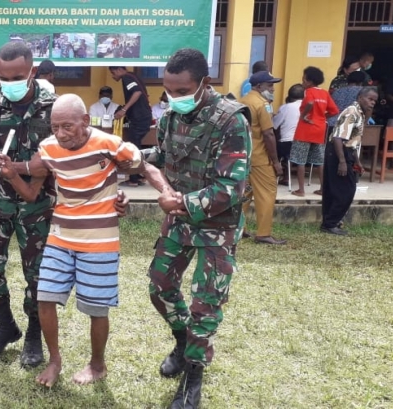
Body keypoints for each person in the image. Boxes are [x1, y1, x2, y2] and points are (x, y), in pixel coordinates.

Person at [0, 42, 130, 368]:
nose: (9, 81)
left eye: (17, 75)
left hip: (42, 203)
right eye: (2, 76)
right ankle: (5, 327)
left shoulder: (52, 107)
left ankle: (33, 334)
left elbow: (75, 152)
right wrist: (0, 167)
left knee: (40, 276)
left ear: (31, 71)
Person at [0, 94, 143, 388]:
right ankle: (54, 361)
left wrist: (122, 194)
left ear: (85, 122)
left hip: (100, 241)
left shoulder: (107, 143)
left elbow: (136, 163)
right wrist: (11, 173)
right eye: (55, 127)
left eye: (68, 126)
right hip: (61, 237)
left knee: (96, 309)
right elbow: (31, 190)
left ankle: (97, 364)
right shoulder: (49, 149)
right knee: (44, 298)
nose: (61, 134)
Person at [141, 48, 251, 409]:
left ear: (205, 83)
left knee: (206, 304)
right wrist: (134, 158)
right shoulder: (173, 113)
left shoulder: (231, 120)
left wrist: (183, 203)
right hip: (178, 223)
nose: (174, 97)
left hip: (217, 226)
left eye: (181, 89)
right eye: (168, 90)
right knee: (160, 287)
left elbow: (230, 188)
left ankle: (193, 377)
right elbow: (167, 154)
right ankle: (181, 341)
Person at [321, 87, 378, 236]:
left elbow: (353, 140)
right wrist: (342, 161)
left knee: (337, 189)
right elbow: (338, 138)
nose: (372, 103)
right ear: (360, 97)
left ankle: (330, 222)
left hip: (346, 152)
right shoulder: (351, 112)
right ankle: (330, 223)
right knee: (345, 190)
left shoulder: (360, 114)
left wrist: (356, 160)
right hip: (337, 152)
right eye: (370, 99)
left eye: (374, 101)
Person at [239, 71, 287, 245]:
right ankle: (263, 233)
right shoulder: (263, 104)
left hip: (245, 156)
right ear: (259, 86)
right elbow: (268, 134)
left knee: (245, 193)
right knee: (267, 193)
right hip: (260, 157)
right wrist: (275, 162)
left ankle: (239, 228)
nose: (273, 89)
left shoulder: (243, 101)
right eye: (270, 85)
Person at [290, 66, 339, 197]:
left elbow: (310, 103)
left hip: (305, 130)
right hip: (320, 130)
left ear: (309, 81)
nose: (302, 80)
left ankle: (301, 190)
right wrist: (322, 118)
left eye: (304, 77)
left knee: (300, 160)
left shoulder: (308, 91)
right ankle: (323, 189)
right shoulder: (324, 93)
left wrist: (303, 115)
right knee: (319, 162)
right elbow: (334, 111)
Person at [109, 66, 152, 187]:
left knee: (132, 148)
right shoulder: (134, 76)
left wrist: (123, 110)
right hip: (143, 116)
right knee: (136, 146)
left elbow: (137, 92)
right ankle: (138, 176)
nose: (113, 76)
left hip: (140, 118)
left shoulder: (127, 77)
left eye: (113, 73)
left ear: (119, 70)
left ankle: (133, 179)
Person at [273, 84, 305, 186]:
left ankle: (285, 177)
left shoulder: (285, 108)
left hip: (288, 144)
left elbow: (274, 125)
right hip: (305, 143)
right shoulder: (309, 107)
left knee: (272, 146)